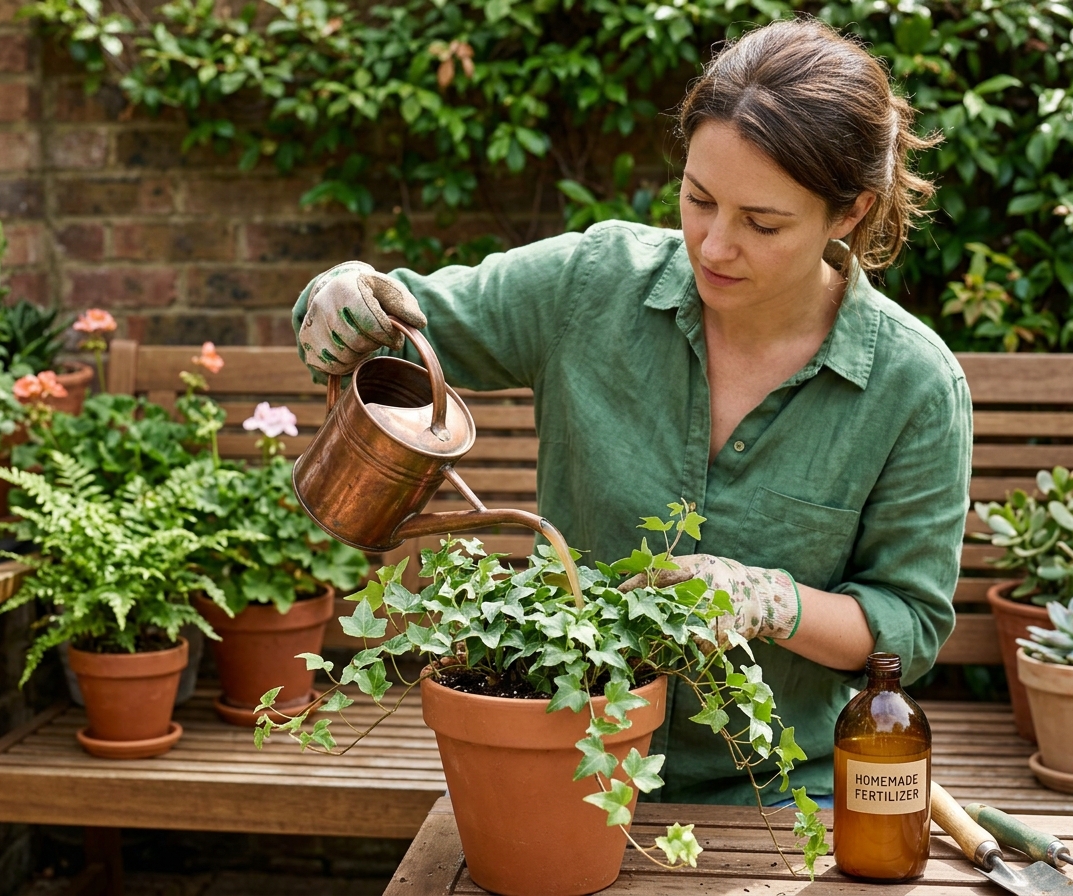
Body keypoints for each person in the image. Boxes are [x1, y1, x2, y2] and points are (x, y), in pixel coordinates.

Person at [292, 17, 972, 806]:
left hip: (780, 801)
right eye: (698, 198)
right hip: (562, 760)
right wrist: (339, 296)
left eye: (763, 223)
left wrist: (765, 600)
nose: (715, 245)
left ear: (849, 213)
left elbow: (908, 626)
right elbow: (403, 324)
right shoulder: (591, 283)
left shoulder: (913, 386)